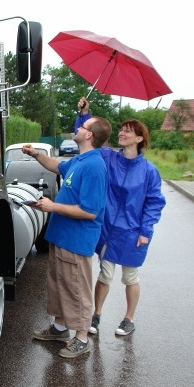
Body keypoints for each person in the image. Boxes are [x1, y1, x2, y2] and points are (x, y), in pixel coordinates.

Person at [22, 115, 112, 358]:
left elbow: (90, 212)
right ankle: (60, 328)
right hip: (61, 236)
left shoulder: (95, 166)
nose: (77, 128)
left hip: (76, 241)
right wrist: (35, 154)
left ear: (90, 135)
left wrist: (53, 207)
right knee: (59, 285)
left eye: (82, 126)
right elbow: (55, 165)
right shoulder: (80, 160)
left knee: (76, 290)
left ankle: (82, 338)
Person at [89, 119, 166, 337]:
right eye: (122, 130)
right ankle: (97, 314)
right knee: (105, 274)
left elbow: (154, 202)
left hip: (133, 232)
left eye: (128, 131)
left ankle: (129, 319)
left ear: (139, 139)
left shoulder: (149, 171)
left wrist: (146, 231)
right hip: (108, 229)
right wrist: (84, 115)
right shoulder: (109, 157)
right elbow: (90, 137)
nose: (122, 133)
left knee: (130, 276)